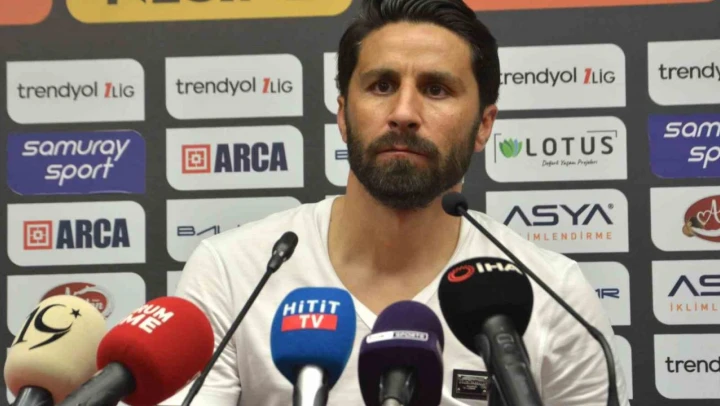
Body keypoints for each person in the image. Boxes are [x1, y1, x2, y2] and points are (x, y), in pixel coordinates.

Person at [162, 0, 630, 404]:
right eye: (382, 86)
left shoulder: (552, 294)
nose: (404, 113)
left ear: (484, 125)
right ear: (343, 115)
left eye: (436, 89)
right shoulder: (233, 274)